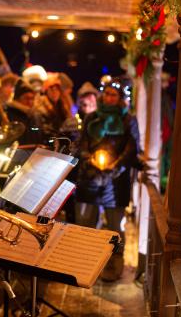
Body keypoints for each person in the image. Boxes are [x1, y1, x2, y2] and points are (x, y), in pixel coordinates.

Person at [75, 76, 142, 282]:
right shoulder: (92, 117)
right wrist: (90, 159)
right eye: (107, 93)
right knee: (85, 222)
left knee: (115, 225)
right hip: (90, 177)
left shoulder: (128, 120)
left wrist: (115, 167)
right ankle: (84, 263)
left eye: (114, 94)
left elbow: (132, 148)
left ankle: (113, 264)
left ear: (121, 98)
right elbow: (82, 143)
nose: (109, 97)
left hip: (115, 181)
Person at [32, 73, 71, 142]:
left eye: (57, 89)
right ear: (46, 91)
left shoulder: (62, 106)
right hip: (48, 146)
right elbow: (44, 131)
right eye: (52, 89)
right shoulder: (41, 108)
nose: (54, 92)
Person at [6, 79, 42, 145]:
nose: (30, 102)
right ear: (17, 99)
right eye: (26, 98)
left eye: (32, 98)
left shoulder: (36, 116)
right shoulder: (9, 114)